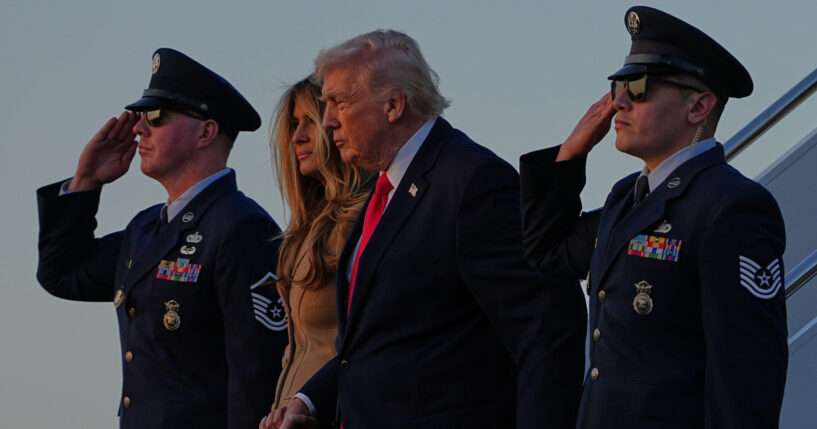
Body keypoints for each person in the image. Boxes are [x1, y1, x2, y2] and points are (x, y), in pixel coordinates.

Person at [267, 30, 587, 429]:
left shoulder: (472, 182)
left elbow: (548, 330)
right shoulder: (384, 192)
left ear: (392, 105)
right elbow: (380, 341)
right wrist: (311, 401)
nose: (328, 120)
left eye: (340, 102)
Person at [519, 7, 788, 428]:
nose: (619, 101)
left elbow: (746, 375)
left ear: (699, 107)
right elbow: (548, 252)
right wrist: (570, 156)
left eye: (639, 87)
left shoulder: (732, 207)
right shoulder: (626, 196)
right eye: (619, 85)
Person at [36, 48, 288, 428]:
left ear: (206, 131)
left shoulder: (241, 227)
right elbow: (63, 273)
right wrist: (84, 183)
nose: (139, 128)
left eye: (156, 116)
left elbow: (258, 376)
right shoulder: (146, 229)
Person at [265, 78, 373, 412]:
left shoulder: (362, 220)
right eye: (294, 124)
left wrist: (309, 404)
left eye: (309, 121)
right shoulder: (303, 231)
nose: (297, 136)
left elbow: (368, 342)